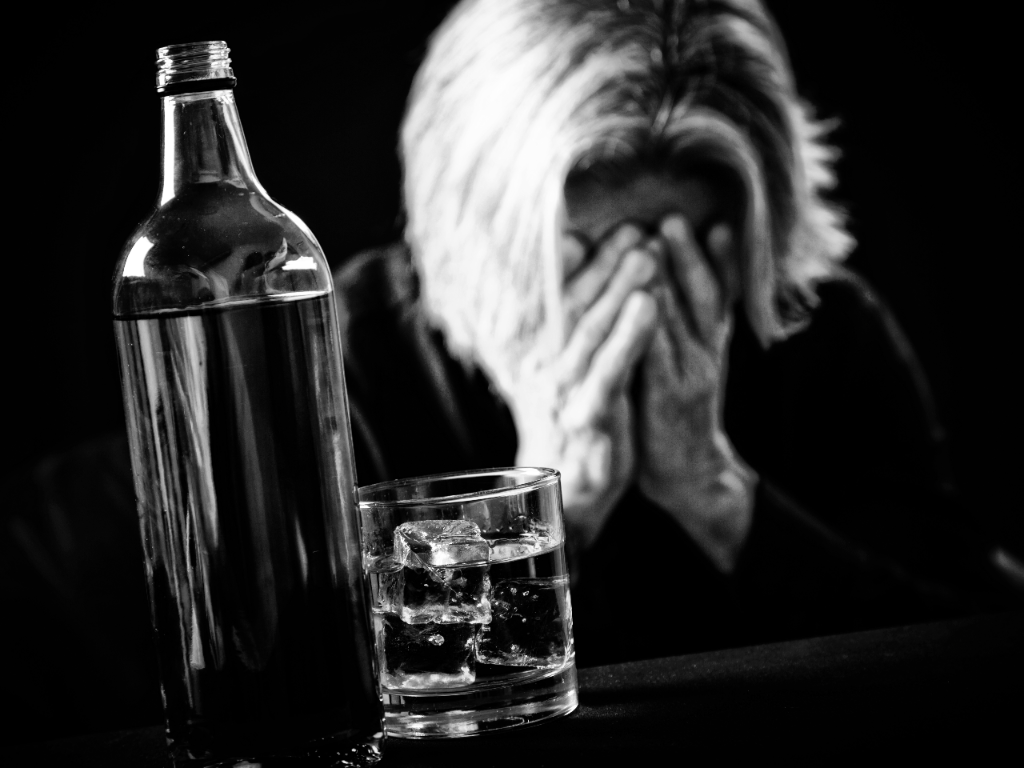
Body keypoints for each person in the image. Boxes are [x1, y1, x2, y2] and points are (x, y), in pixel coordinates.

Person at [337, 0, 1021, 666]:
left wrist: (717, 493)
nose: (638, 301)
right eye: (586, 258)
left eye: (684, 249)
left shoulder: (821, 325)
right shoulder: (346, 359)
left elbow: (970, 641)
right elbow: (339, 688)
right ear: (473, 233)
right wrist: (550, 514)